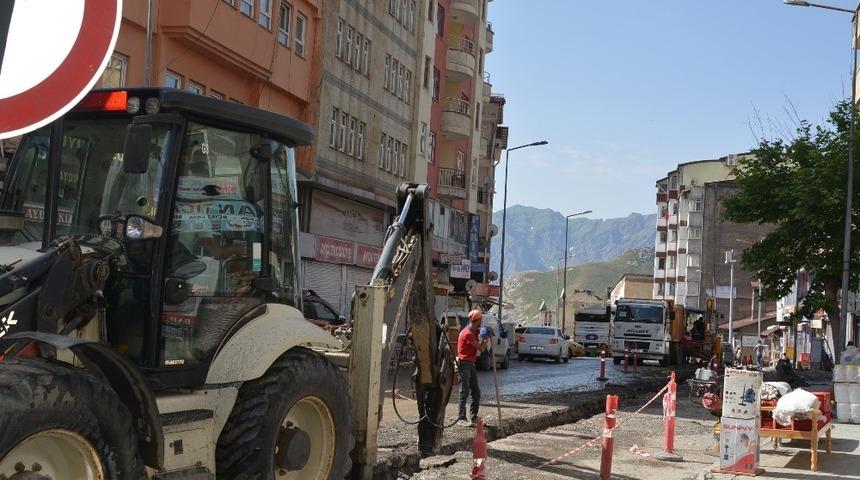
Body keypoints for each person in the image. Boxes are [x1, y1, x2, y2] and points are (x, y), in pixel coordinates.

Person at [457, 309, 490, 427]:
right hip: (464, 364)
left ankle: (473, 417)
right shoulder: (468, 334)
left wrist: (485, 332)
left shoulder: (474, 330)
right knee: (464, 391)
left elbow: (480, 332)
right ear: (478, 320)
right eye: (481, 319)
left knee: (476, 392)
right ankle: (461, 418)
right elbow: (481, 348)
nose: (482, 321)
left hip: (470, 364)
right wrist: (486, 339)